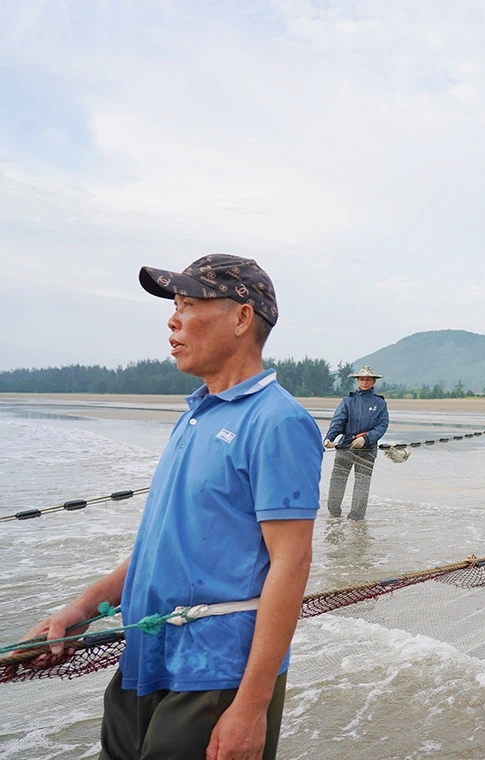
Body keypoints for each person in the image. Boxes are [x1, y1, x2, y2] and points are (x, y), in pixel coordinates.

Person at [20, 255, 322, 759]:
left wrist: (250, 708)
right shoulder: (196, 415)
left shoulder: (277, 423)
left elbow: (293, 563)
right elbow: (163, 545)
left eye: (187, 304)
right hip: (145, 660)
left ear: (242, 318)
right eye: (174, 306)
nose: (172, 319)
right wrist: (83, 609)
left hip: (215, 676)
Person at [324, 366, 390, 520]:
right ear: (357, 381)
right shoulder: (348, 401)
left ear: (373, 382)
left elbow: (382, 426)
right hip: (345, 447)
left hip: (367, 450)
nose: (364, 382)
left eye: (368, 379)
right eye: (361, 379)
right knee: (337, 481)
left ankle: (356, 519)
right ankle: (333, 516)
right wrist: (330, 437)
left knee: (362, 484)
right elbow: (338, 421)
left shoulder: (380, 403)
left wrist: (365, 439)